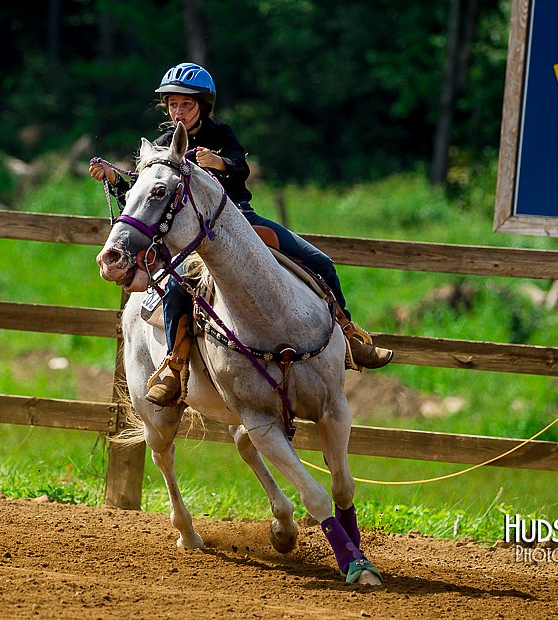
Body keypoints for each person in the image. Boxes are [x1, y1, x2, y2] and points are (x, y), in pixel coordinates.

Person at [90, 62, 392, 407]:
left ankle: (349, 335)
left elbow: (241, 169)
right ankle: (174, 365)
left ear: (203, 106)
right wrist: (116, 181)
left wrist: (218, 163)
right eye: (173, 104)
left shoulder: (221, 135)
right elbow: (145, 195)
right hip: (193, 236)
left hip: (241, 223)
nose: (178, 111)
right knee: (175, 286)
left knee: (318, 260)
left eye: (186, 104)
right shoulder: (161, 145)